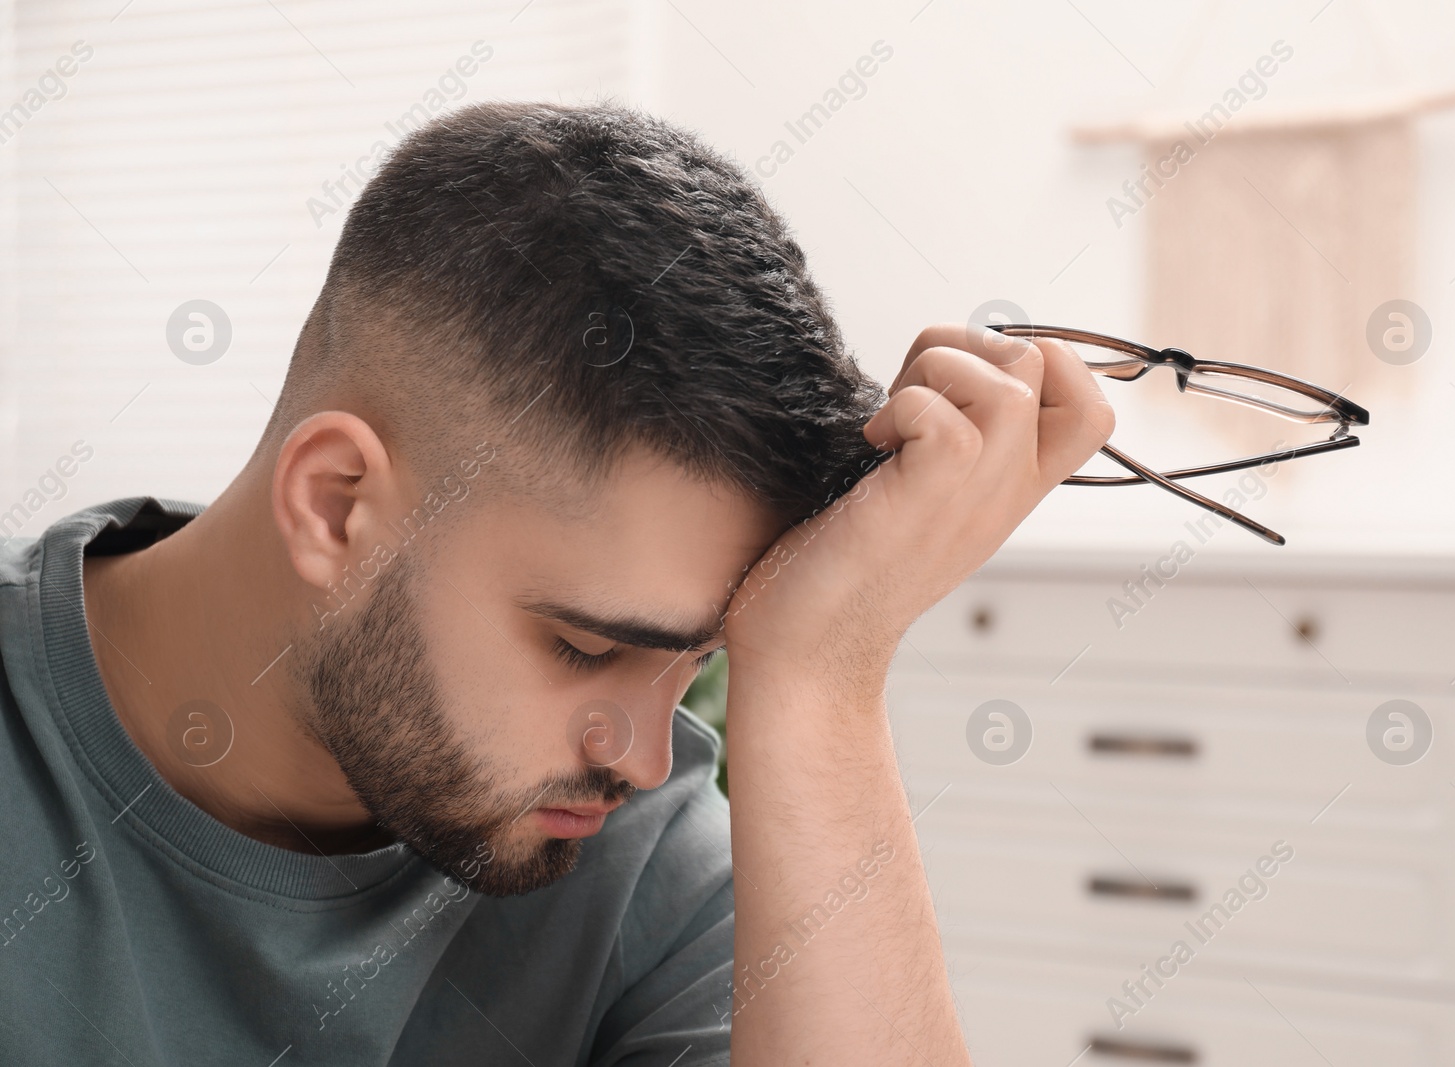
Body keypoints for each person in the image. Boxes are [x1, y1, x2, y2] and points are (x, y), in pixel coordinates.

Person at [0, 101, 1112, 1065]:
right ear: (336, 504)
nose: (640, 751)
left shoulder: (632, 863)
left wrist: (823, 676)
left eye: (698, 662)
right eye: (584, 648)